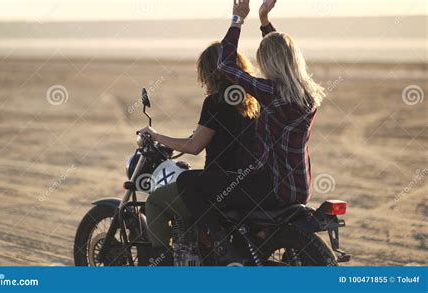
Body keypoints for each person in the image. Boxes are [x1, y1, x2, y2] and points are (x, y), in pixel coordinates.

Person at [177, 0, 326, 264]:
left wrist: (238, 20)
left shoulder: (270, 92)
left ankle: (219, 242)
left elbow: (225, 65)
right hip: (300, 187)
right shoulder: (308, 94)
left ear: (271, 63)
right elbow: (284, 54)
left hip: (269, 186)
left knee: (187, 182)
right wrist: (264, 21)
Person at [139, 42, 260, 265]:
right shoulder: (255, 100)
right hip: (251, 183)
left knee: (156, 200)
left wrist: (156, 136)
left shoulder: (215, 102)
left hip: (221, 185)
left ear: (208, 72)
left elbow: (194, 146)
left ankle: (161, 269)